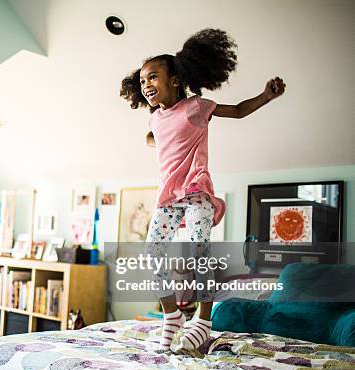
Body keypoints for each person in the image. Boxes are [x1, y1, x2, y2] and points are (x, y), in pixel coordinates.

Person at [120, 28, 285, 352]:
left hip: (196, 193)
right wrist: (151, 140)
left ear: (176, 80)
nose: (146, 85)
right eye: (142, 82)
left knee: (199, 254)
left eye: (153, 78)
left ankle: (203, 321)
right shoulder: (155, 118)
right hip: (169, 199)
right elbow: (157, 136)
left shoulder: (196, 107)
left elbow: (237, 111)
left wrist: (265, 96)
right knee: (152, 256)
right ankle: (172, 317)